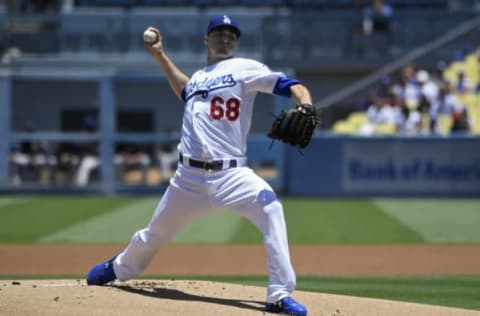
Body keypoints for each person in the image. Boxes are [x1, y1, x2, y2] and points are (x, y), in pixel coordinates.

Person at [86, 15, 311, 316]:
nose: (226, 38)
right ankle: (119, 267)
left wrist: (305, 104)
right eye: (219, 32)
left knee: (271, 208)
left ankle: (279, 294)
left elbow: (290, 85)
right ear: (206, 40)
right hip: (188, 179)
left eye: (231, 34)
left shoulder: (245, 68)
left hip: (233, 174)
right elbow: (184, 88)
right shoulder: (199, 78)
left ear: (237, 41)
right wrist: (160, 56)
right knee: (154, 234)